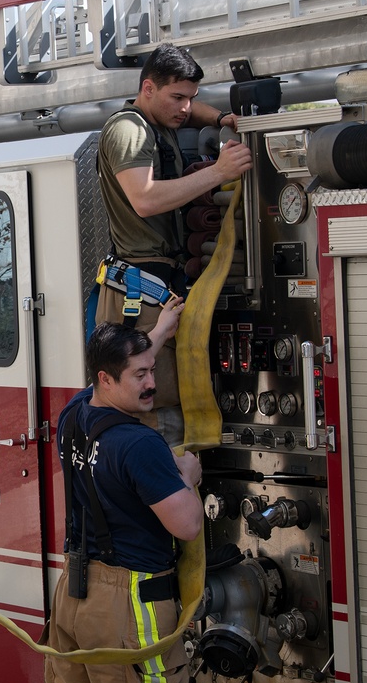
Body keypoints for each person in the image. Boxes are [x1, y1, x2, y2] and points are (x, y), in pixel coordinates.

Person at [44, 322, 204, 683]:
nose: (152, 384)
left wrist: (158, 334)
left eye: (153, 370)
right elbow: (187, 526)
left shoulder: (74, 414)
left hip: (74, 599)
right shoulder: (139, 444)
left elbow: (109, 370)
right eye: (140, 375)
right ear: (106, 378)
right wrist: (187, 476)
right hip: (130, 607)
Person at [95, 42, 253, 441]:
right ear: (148, 88)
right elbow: (145, 198)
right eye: (177, 98)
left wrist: (220, 117)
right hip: (142, 293)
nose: (185, 109)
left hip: (159, 286)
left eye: (191, 98)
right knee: (156, 401)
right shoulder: (129, 131)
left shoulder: (158, 116)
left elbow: (186, 104)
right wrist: (219, 171)